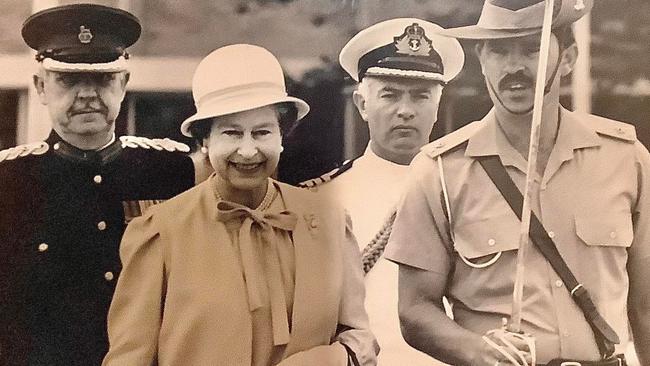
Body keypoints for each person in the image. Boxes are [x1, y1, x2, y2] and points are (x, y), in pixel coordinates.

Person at [385, 0, 650, 365]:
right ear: (482, 60)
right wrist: (477, 351)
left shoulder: (626, 158)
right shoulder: (440, 170)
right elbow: (414, 310)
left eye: (532, 48)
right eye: (498, 51)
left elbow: (646, 305)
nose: (513, 67)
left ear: (569, 58)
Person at [102, 44, 379, 366]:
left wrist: (327, 360)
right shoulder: (160, 232)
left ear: (281, 137)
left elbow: (360, 338)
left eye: (262, 132)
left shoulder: (327, 222)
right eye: (231, 133)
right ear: (205, 141)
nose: (248, 151)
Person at [0, 4, 197, 365]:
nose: (88, 94)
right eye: (69, 80)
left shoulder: (171, 172)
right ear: (41, 86)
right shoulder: (8, 181)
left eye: (104, 79)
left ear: (123, 84)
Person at [300, 18, 464, 365]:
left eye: (420, 96)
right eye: (389, 95)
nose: (405, 110)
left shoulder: (471, 192)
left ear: (437, 104)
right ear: (362, 104)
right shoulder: (323, 200)